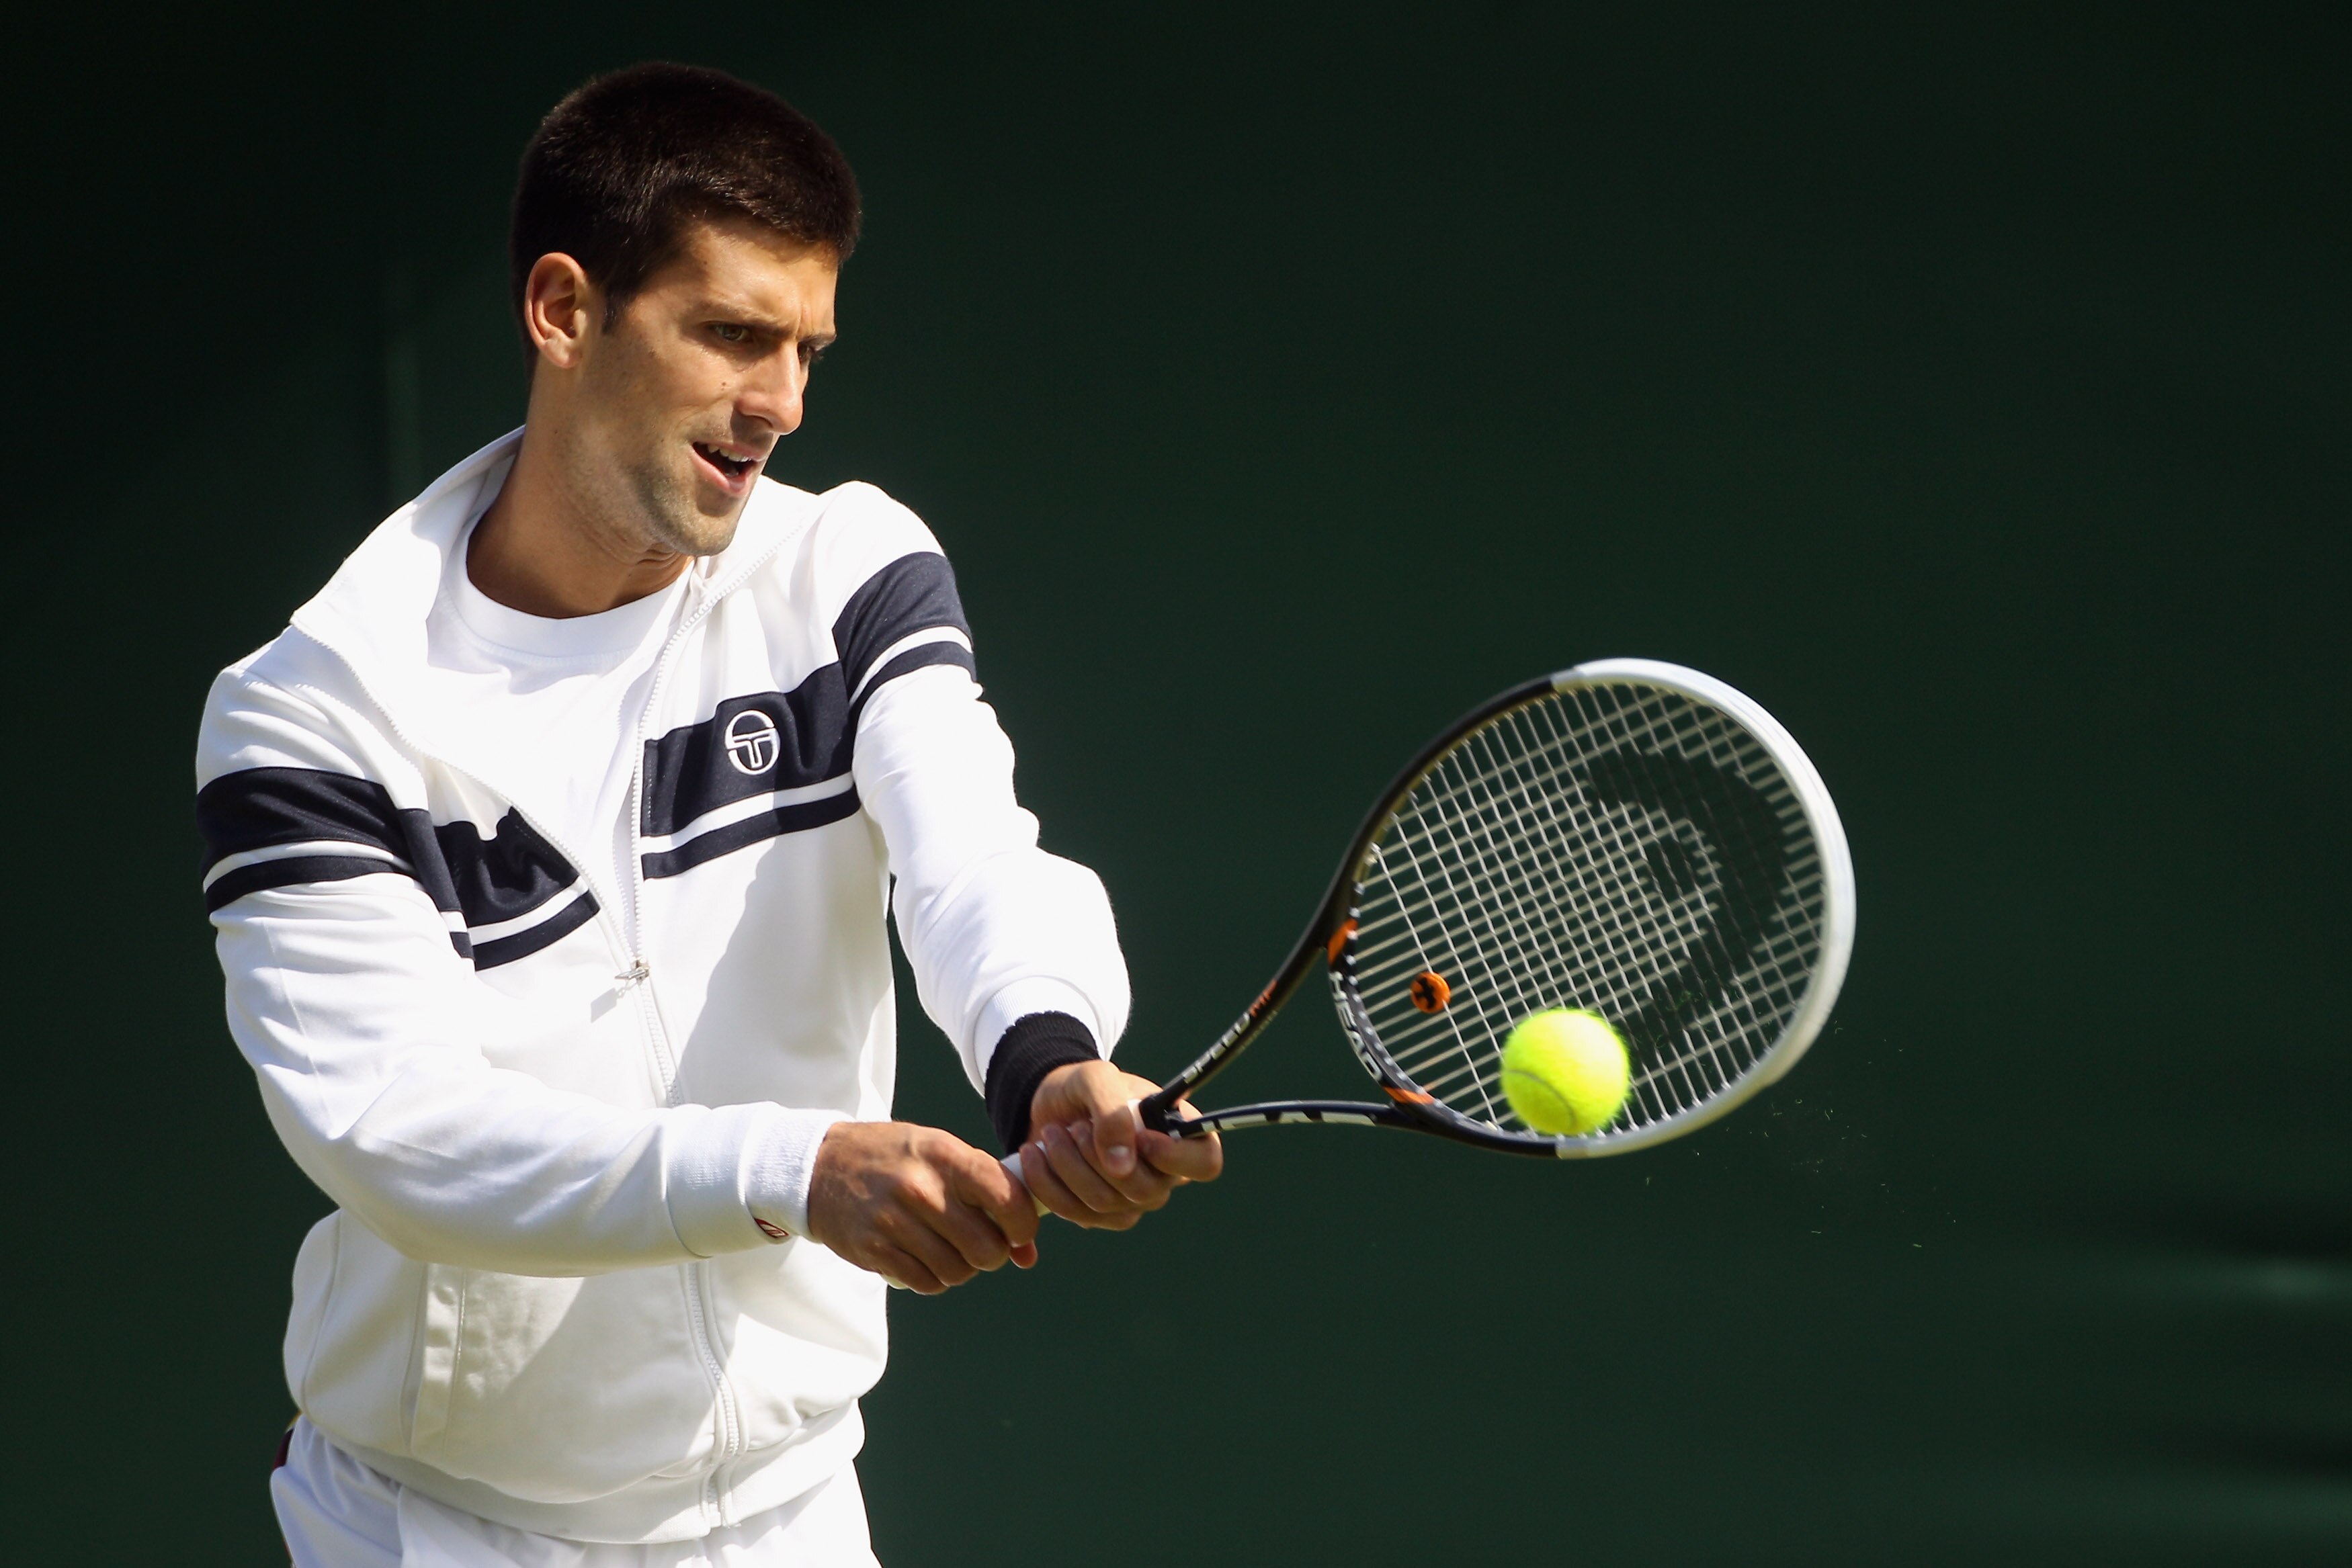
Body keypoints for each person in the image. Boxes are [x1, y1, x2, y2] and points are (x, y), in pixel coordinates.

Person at [196, 62, 1219, 1567]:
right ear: (563, 311)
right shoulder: (316, 707)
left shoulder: (846, 575)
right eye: (733, 335)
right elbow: (391, 1127)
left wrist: (1047, 1058)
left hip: (788, 1514)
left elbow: (974, 856)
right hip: (434, 1529)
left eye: (806, 348)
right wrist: (789, 1170)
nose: (780, 405)